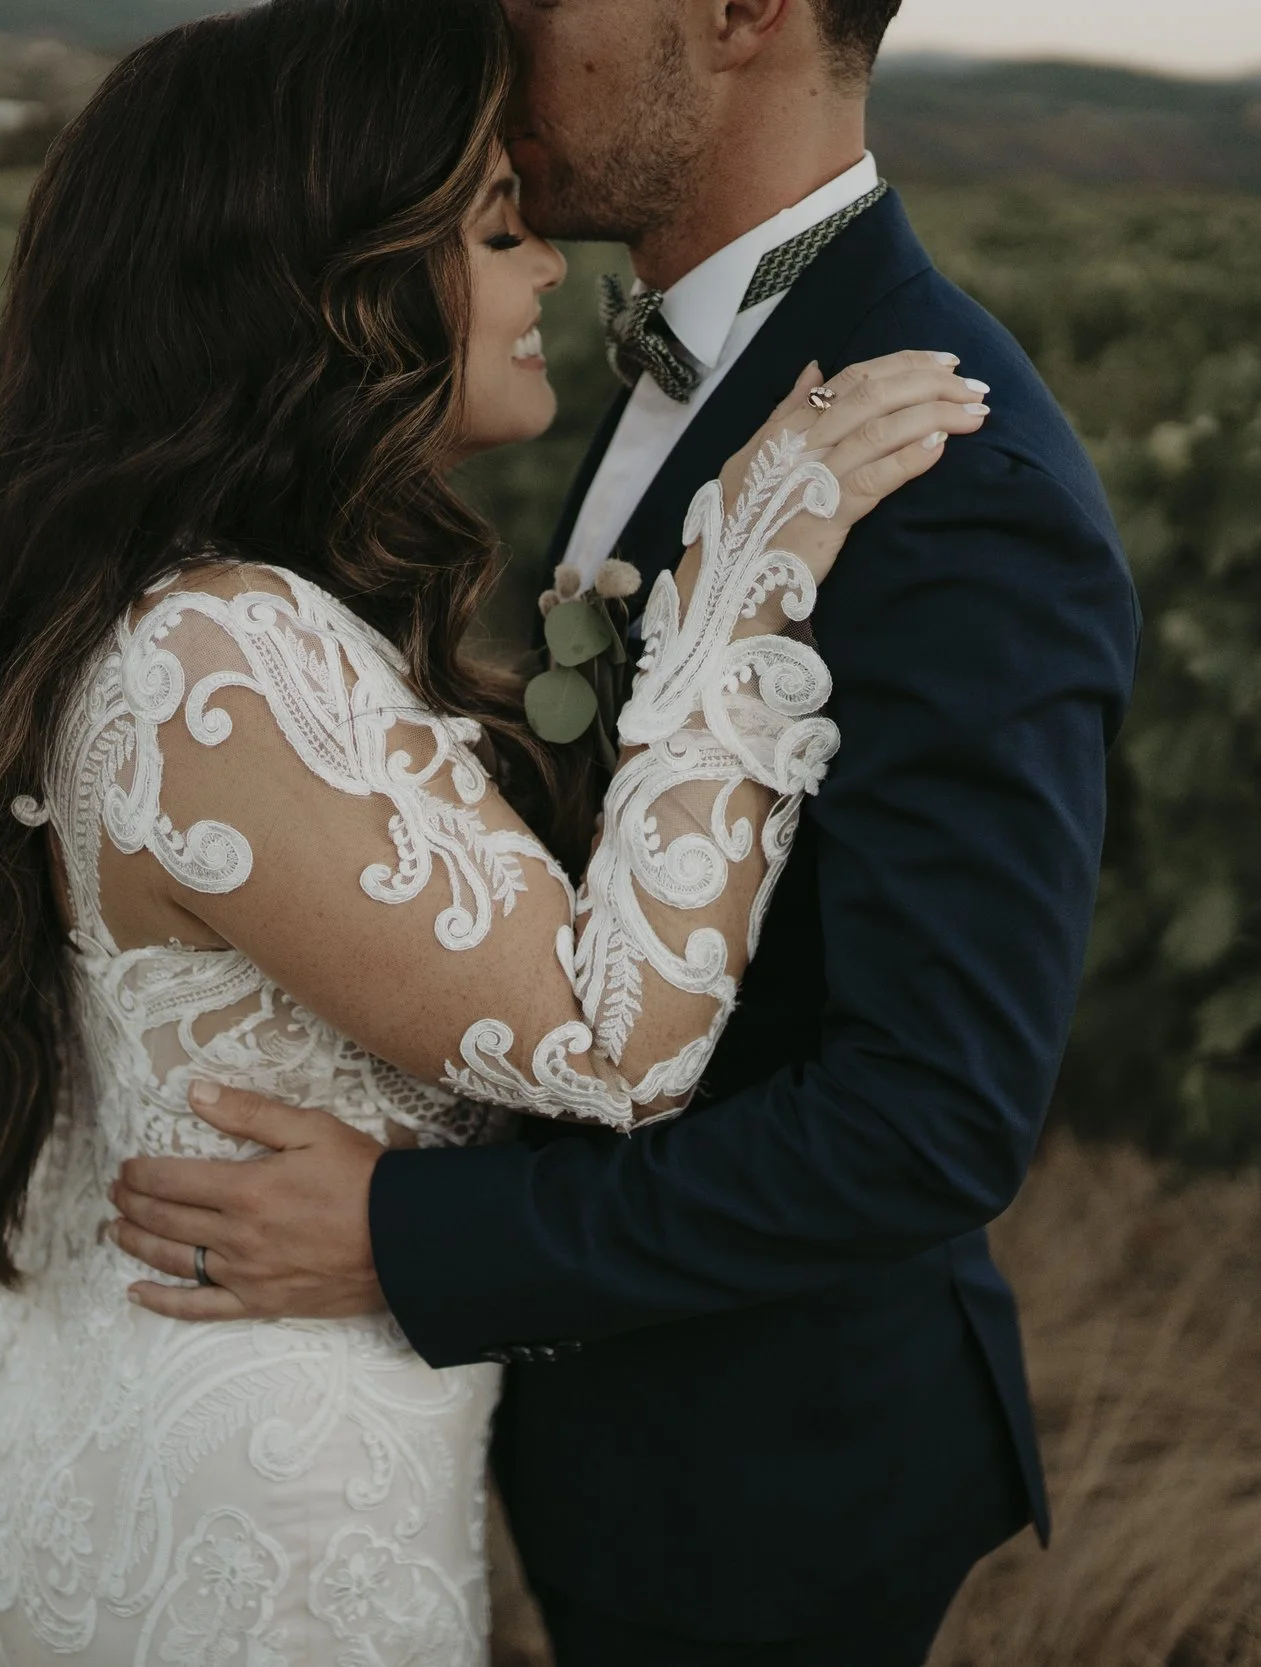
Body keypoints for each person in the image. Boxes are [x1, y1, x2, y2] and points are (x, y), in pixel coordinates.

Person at [0, 1, 990, 1661]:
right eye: (488, 225)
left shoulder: (192, 605)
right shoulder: (221, 651)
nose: (544, 261)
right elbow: (618, 1044)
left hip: (154, 1404)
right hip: (262, 1493)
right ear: (335, 287)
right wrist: (743, 580)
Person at [105, 1, 1142, 1663]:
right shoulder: (692, 356)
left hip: (770, 1469)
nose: (494, 22)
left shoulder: (956, 478)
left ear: (736, 14)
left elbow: (931, 1119)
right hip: (616, 1412)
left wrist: (412, 1237)